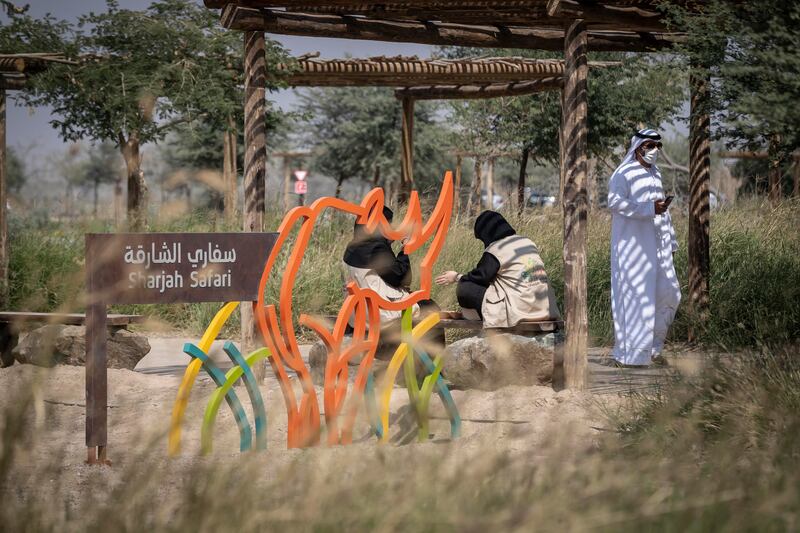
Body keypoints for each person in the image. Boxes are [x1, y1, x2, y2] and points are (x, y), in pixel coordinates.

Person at [607, 128, 681, 367]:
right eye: (650, 146)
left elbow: (662, 212)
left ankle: (653, 349)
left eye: (657, 146)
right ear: (638, 147)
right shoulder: (624, 173)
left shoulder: (655, 173)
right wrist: (649, 209)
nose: (654, 151)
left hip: (658, 247)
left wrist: (671, 241)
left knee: (670, 294)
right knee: (637, 299)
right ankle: (631, 356)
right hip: (633, 249)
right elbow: (614, 202)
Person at [342, 206, 443, 352]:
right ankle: (435, 362)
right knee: (429, 306)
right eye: (388, 224)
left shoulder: (352, 247)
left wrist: (387, 243)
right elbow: (401, 277)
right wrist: (404, 250)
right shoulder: (376, 247)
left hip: (357, 315)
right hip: (382, 314)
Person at [436, 210, 561, 328]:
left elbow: (480, 277)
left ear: (486, 233)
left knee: (465, 286)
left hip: (520, 310)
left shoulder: (498, 248)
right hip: (545, 309)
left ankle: (477, 317)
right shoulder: (527, 242)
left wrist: (456, 277)